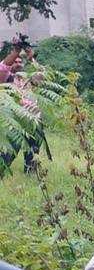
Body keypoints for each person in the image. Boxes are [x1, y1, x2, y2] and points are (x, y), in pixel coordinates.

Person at [0, 38, 46, 175]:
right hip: (15, 121)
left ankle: (30, 174)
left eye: (21, 61)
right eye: (16, 62)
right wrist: (16, 51)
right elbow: (2, 68)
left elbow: (42, 76)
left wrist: (31, 58)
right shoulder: (6, 79)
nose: (19, 63)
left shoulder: (28, 79)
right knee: (9, 151)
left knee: (33, 151)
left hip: (33, 119)